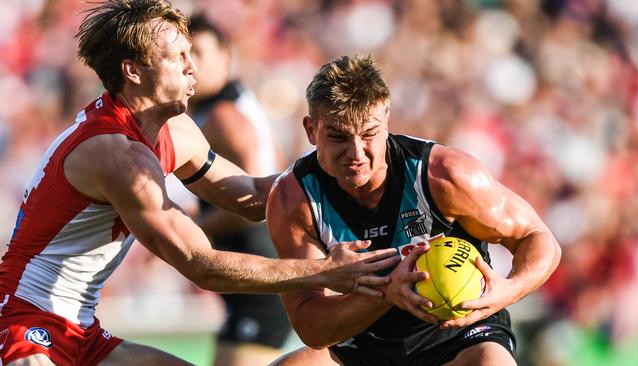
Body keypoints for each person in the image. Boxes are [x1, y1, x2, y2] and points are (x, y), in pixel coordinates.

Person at [0, 3, 401, 365]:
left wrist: (341, 162)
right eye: (177, 57)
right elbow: (201, 266)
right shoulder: (115, 154)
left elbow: (253, 197)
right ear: (133, 71)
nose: (192, 67)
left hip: (79, 330)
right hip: (23, 324)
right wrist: (325, 272)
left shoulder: (173, 129)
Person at [266, 55, 562, 366]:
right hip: (363, 343)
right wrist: (386, 293)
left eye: (369, 134)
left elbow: (538, 238)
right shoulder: (293, 199)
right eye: (338, 136)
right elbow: (312, 327)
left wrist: (508, 289)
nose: (356, 153)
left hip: (459, 338)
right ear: (311, 130)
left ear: (387, 120)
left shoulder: (444, 175)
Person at [187, 14, 293, 366]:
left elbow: (259, 204)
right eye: (183, 56)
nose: (190, 66)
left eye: (199, 54)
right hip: (256, 277)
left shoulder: (223, 116)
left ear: (226, 58)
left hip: (259, 280)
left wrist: (191, 232)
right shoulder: (239, 105)